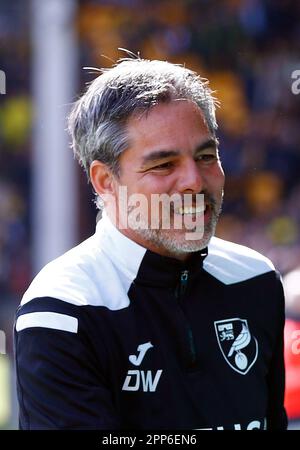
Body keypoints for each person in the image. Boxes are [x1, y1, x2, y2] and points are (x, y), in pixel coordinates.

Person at [14, 55, 287, 430]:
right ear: (105, 181)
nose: (194, 180)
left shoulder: (257, 279)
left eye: (206, 156)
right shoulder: (63, 308)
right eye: (164, 165)